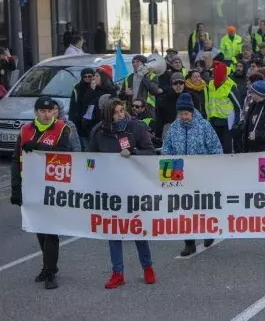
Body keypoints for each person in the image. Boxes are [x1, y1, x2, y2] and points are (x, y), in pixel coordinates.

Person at [87, 98, 157, 289]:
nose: (120, 114)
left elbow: (150, 152)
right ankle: (118, 273)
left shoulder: (136, 127)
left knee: (137, 229)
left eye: (121, 110)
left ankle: (148, 268)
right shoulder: (99, 132)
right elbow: (90, 160)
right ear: (108, 115)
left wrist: (133, 153)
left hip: (133, 188)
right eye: (116, 112)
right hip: (111, 190)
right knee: (114, 232)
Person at [10, 96, 74, 290]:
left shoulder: (62, 128)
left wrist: (39, 147)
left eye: (50, 111)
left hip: (53, 187)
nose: (47, 115)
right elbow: (15, 159)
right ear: (36, 112)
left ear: (54, 112)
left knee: (51, 231)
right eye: (43, 111)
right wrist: (16, 188)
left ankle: (50, 272)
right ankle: (47, 267)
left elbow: (64, 153)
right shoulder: (25, 130)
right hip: (31, 186)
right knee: (38, 228)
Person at [162, 93, 223, 256]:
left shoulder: (204, 126)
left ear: (192, 112)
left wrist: (214, 168)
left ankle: (208, 232)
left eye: (186, 113)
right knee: (184, 209)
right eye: (181, 114)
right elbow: (166, 148)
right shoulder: (174, 127)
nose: (183, 117)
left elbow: (216, 148)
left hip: (202, 174)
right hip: (180, 174)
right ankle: (189, 243)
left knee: (204, 206)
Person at [206, 61, 241, 153]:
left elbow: (238, 107)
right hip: (213, 121)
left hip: (227, 123)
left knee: (227, 149)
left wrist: (236, 123)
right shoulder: (210, 84)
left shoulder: (231, 87)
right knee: (215, 148)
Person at [69, 68, 95, 133]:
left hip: (93, 120)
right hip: (80, 120)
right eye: (85, 76)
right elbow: (73, 105)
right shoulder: (77, 88)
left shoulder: (97, 87)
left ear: (93, 76)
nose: (87, 78)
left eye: (89, 76)